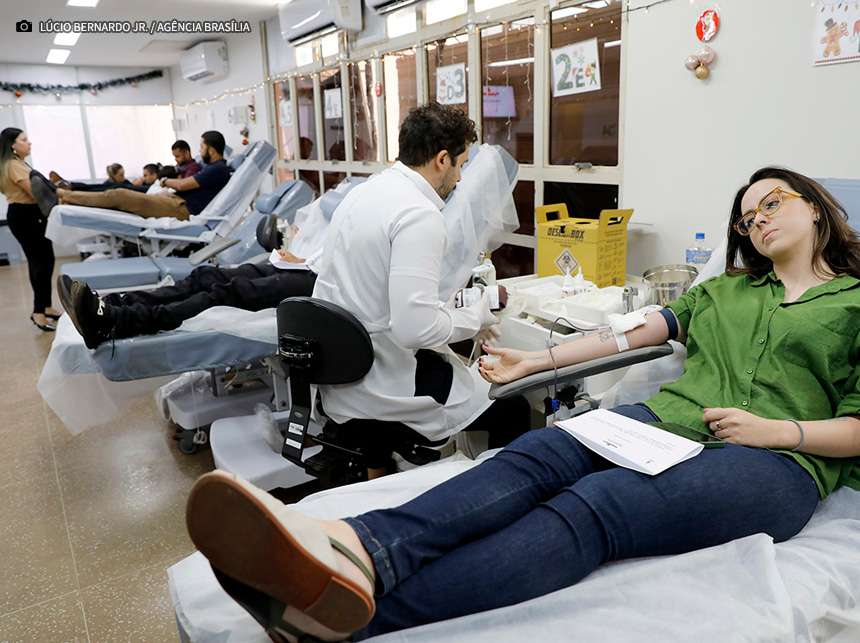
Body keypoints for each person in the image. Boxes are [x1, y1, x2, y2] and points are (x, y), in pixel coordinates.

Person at [185, 167, 860, 641]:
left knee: (600, 506)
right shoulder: (722, 294)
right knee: (542, 449)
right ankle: (362, 546)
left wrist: (780, 430)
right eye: (747, 216)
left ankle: (353, 616)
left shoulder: (854, 302)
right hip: (665, 420)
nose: (759, 219)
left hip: (775, 464)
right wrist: (534, 361)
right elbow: (626, 333)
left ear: (816, 207)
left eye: (772, 203)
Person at [312, 101, 529, 470]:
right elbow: (415, 329)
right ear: (442, 160)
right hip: (380, 385)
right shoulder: (420, 214)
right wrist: (476, 317)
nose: (460, 179)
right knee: (512, 405)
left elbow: (379, 296)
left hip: (339, 379)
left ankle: (380, 473)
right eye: (460, 166)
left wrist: (451, 314)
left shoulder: (366, 192)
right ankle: (497, 502)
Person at [58, 247, 318, 349]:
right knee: (205, 276)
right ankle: (114, 305)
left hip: (322, 282)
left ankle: (118, 322)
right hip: (310, 266)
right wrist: (304, 260)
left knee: (227, 294)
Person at [31, 131, 231, 220]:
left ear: (211, 150)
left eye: (202, 146)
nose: (200, 149)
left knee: (119, 195)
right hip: (174, 202)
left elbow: (182, 185)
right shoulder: (213, 168)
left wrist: (163, 180)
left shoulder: (218, 168)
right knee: (118, 194)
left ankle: (60, 195)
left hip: (181, 210)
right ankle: (63, 198)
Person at [0, 127, 62, 331]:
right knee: (40, 263)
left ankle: (45, 306)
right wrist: (60, 197)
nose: (29, 143)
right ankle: (38, 312)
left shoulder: (15, 163)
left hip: (27, 215)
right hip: (26, 215)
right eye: (24, 139)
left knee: (44, 260)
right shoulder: (14, 166)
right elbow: (35, 193)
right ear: (12, 145)